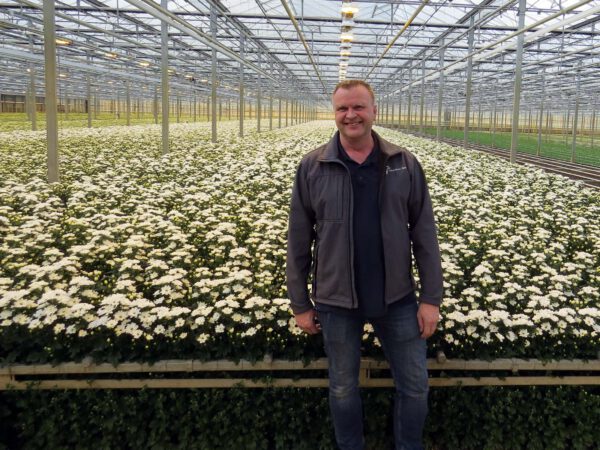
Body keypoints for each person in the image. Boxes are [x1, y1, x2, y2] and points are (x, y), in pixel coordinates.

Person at [286, 79, 443, 450]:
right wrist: (300, 302)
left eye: (358, 107)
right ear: (334, 113)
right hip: (336, 301)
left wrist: (431, 298)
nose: (350, 115)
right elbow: (298, 239)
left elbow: (425, 234)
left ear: (374, 111)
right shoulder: (313, 166)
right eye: (343, 108)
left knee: (415, 386)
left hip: (398, 298)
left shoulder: (403, 164)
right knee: (342, 387)